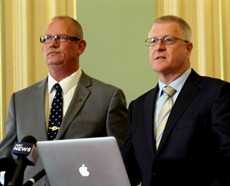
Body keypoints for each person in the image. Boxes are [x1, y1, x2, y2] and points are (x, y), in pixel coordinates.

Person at [0, 16, 127, 186]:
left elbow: (121, 162)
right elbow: (5, 156)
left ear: (80, 46)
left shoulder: (108, 97)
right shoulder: (20, 100)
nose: (52, 44)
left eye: (61, 38)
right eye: (47, 39)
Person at [122, 15, 230, 186]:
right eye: (153, 41)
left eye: (168, 40)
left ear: (188, 49)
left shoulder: (217, 93)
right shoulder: (138, 106)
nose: (159, 47)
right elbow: (129, 170)